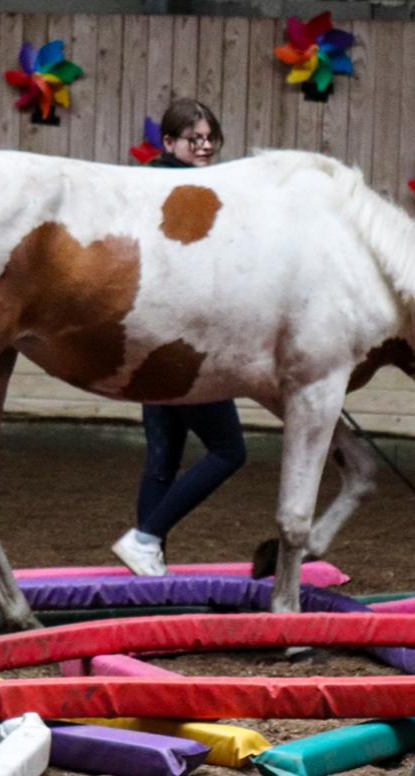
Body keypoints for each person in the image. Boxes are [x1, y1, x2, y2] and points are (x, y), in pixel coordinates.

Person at [112, 98, 247, 576]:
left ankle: (148, 561)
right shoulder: (177, 192)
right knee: (230, 450)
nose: (206, 146)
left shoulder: (167, 185)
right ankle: (146, 538)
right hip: (183, 344)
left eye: (211, 138)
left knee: (163, 461)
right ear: (168, 143)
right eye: (196, 139)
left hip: (156, 341)